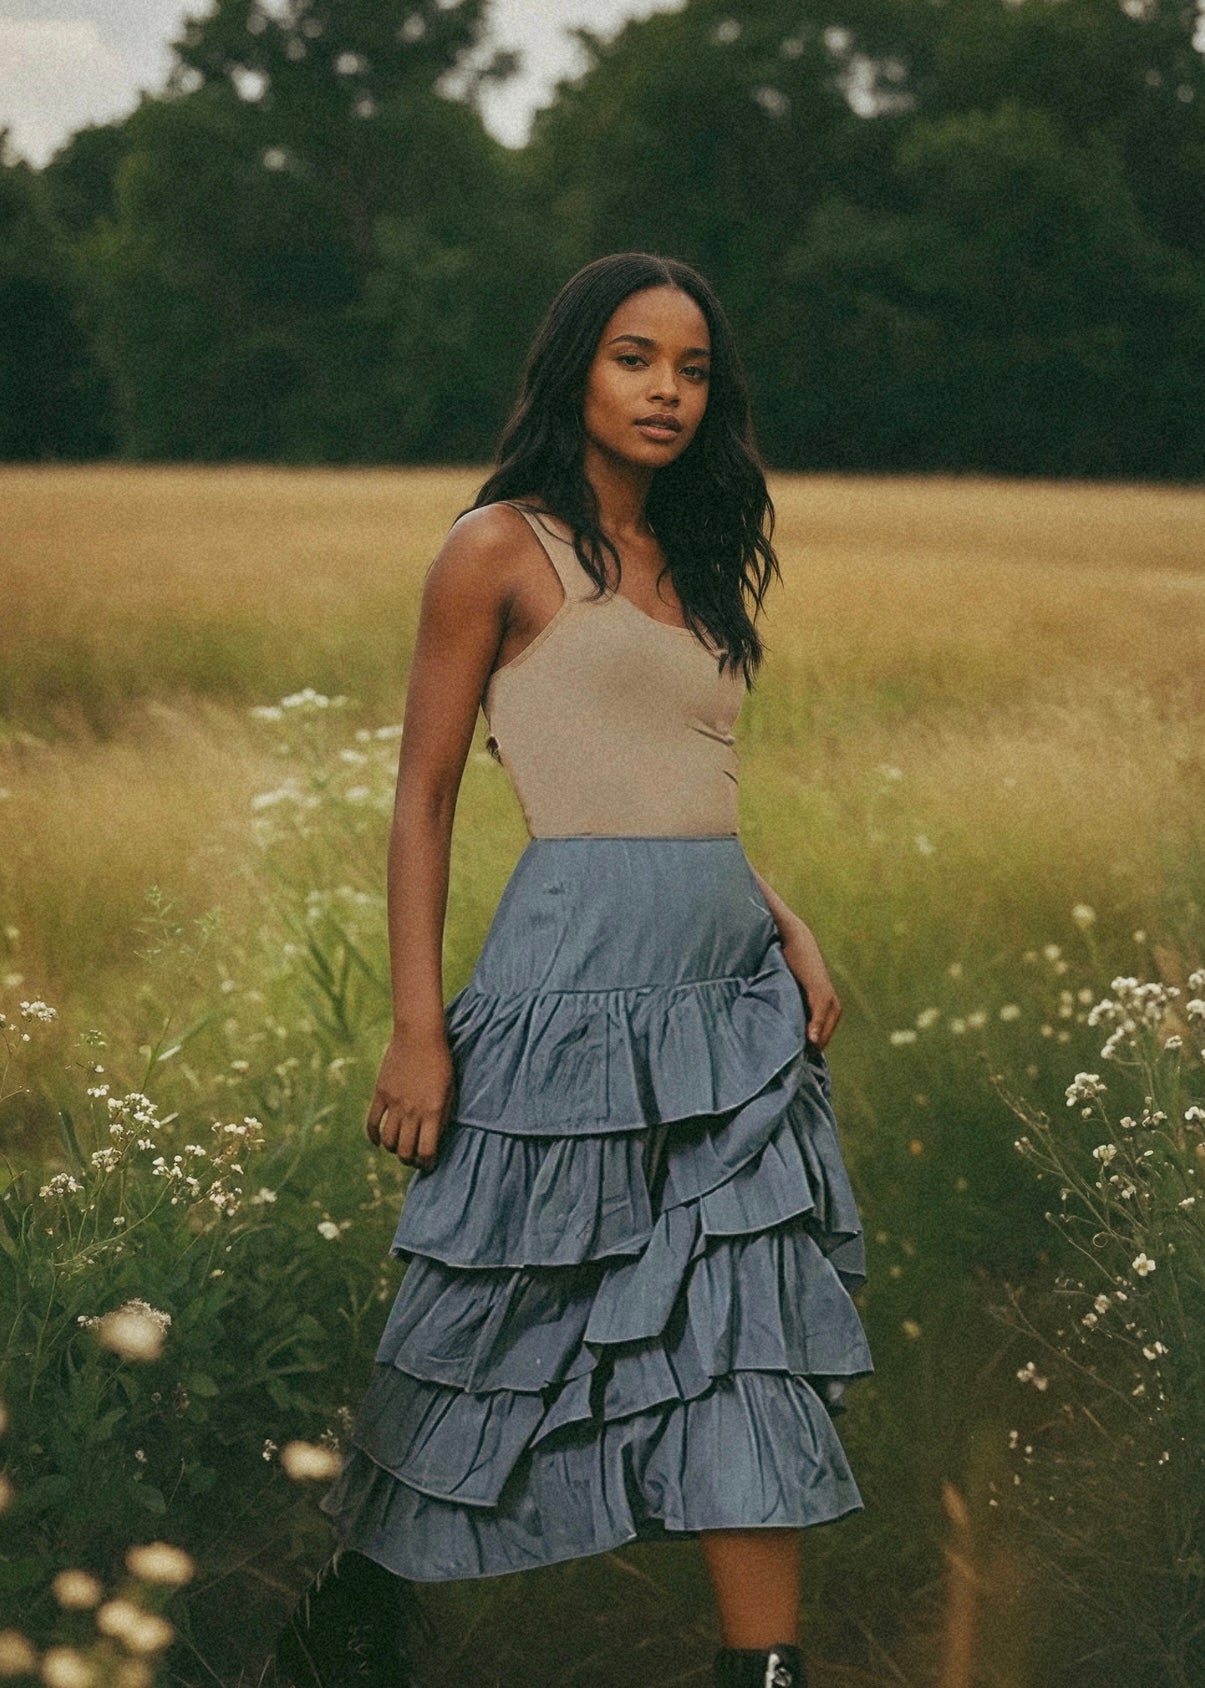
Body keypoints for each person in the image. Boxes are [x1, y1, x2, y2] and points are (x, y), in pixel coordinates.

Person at [269, 252, 874, 1688]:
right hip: (566, 990)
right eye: (633, 358)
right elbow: (424, 797)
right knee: (486, 1315)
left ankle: (766, 1672)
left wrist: (779, 914)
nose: (668, 390)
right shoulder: (497, 548)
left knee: (741, 1332)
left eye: (693, 368)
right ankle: (349, 1635)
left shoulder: (698, 556)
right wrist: (417, 1029)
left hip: (727, 999)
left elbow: (677, 779)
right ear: (574, 370)